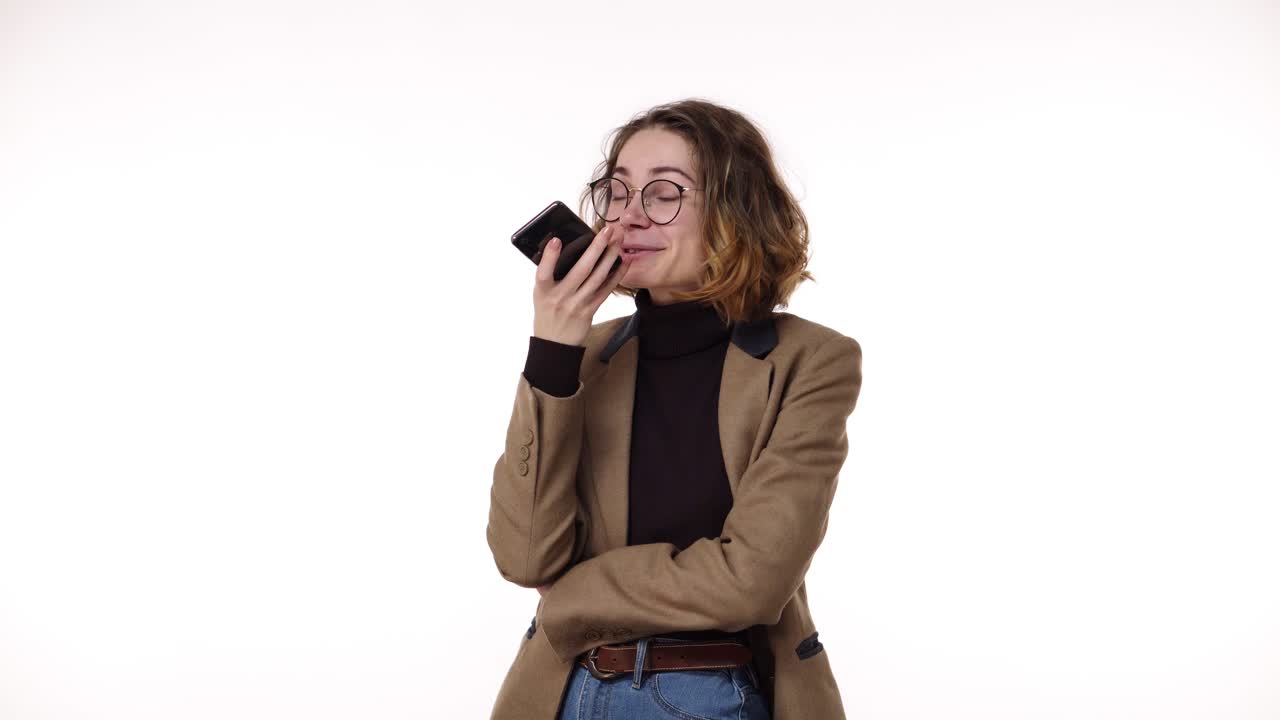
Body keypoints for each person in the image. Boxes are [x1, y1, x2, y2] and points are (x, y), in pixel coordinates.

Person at [487, 98, 863, 720]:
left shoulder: (812, 361)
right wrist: (552, 351)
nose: (629, 217)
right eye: (617, 192)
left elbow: (752, 580)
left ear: (733, 212)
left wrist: (575, 597)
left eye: (664, 194)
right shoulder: (584, 358)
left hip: (715, 691)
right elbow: (525, 557)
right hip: (565, 692)